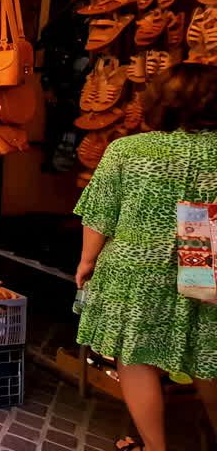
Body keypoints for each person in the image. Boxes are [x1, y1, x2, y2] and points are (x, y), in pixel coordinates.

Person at [74, 63, 217, 451]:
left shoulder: (128, 150)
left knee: (136, 356)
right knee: (207, 355)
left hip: (135, 269)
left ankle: (155, 448)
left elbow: (100, 215)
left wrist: (87, 262)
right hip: (207, 268)